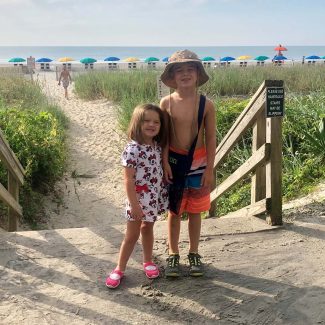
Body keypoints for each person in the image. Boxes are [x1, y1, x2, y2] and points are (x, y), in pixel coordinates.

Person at [160, 50, 216, 277]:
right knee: (174, 211)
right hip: (174, 163)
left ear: (198, 73)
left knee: (195, 211)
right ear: (172, 77)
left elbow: (211, 137)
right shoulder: (166, 103)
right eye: (179, 70)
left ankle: (194, 252)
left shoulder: (207, 104)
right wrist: (164, 162)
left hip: (199, 164)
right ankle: (173, 253)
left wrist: (210, 169)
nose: (185, 74)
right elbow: (163, 137)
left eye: (189, 69)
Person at [105, 104, 168, 289]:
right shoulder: (133, 149)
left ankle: (148, 261)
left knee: (148, 229)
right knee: (131, 235)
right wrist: (135, 206)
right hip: (137, 201)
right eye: (146, 120)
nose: (152, 124)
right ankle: (119, 269)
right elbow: (128, 180)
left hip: (152, 199)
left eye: (156, 122)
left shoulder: (157, 147)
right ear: (137, 123)